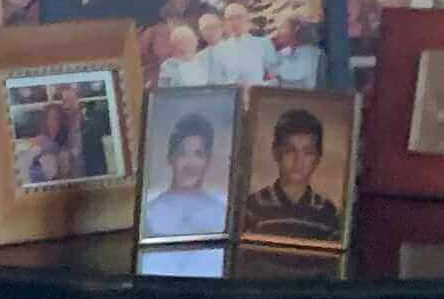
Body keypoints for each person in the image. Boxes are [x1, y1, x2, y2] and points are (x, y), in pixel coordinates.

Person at [242, 104, 344, 246]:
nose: (298, 161)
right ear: (276, 153)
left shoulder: (328, 213)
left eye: (307, 152)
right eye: (290, 150)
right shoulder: (253, 206)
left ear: (317, 158)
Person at [140, 110, 225, 240]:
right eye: (182, 154)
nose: (190, 164)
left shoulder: (220, 212)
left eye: (198, 154)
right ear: (170, 158)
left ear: (208, 160)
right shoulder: (149, 214)